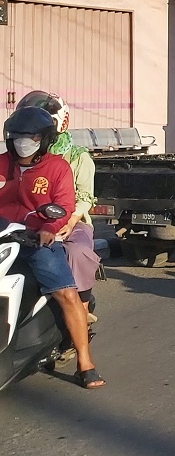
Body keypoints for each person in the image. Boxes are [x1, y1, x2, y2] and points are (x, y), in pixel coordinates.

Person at [0, 107, 103, 387]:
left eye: (31, 136)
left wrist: (48, 228)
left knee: (66, 294)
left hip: (36, 242)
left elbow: (65, 204)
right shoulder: (0, 164)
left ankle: (85, 362)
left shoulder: (58, 167)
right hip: (3, 239)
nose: (23, 141)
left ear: (44, 139)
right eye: (18, 136)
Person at [15, 91, 100, 324]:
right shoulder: (23, 156)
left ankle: (80, 309)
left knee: (77, 252)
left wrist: (70, 221)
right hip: (28, 221)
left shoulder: (78, 157)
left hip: (72, 223)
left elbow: (84, 198)